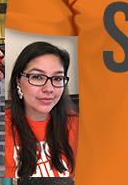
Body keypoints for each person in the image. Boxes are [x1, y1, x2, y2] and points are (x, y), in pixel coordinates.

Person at [5, 42, 77, 177]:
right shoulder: (5, 127)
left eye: (57, 78)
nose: (49, 89)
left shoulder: (76, 124)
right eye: (37, 77)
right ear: (18, 81)